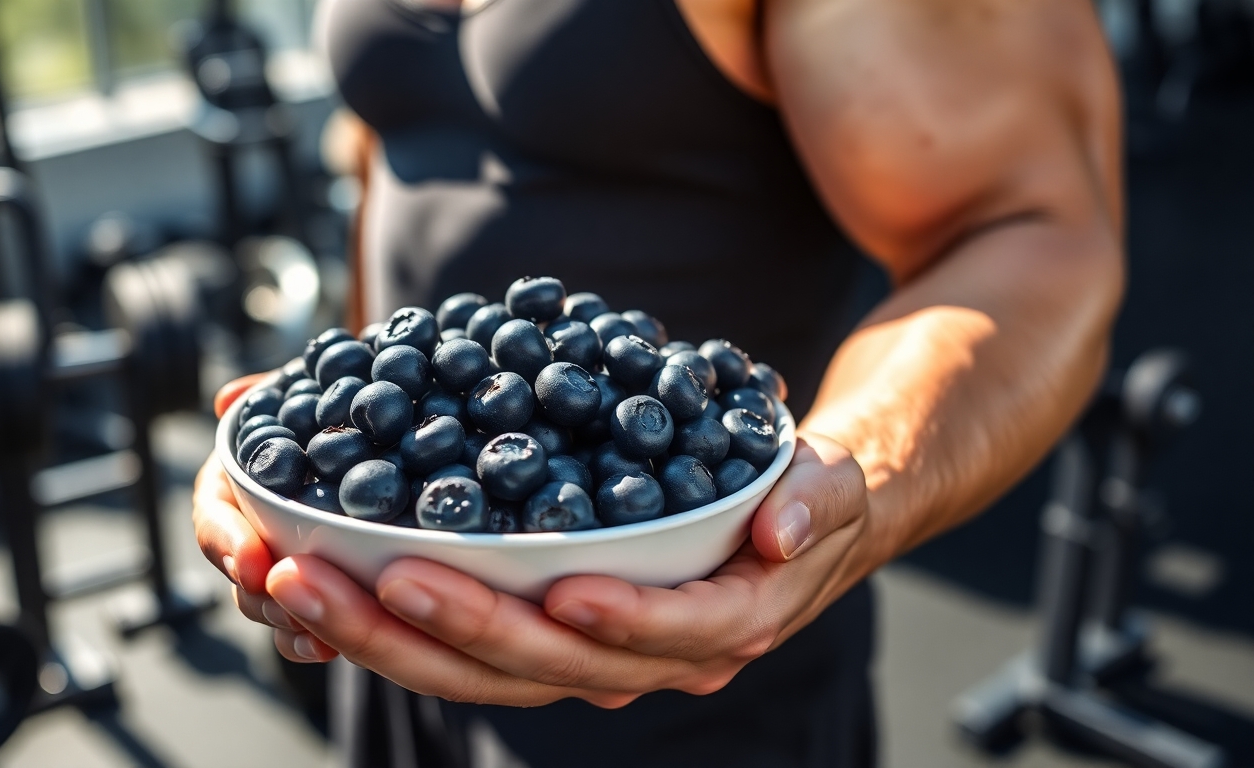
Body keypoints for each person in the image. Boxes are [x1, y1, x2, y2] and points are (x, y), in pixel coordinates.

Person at [194, 0, 1123, 764]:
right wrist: (329, 426)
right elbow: (396, 142)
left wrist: (846, 495)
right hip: (398, 603)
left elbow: (1034, 234)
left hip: (699, 641)